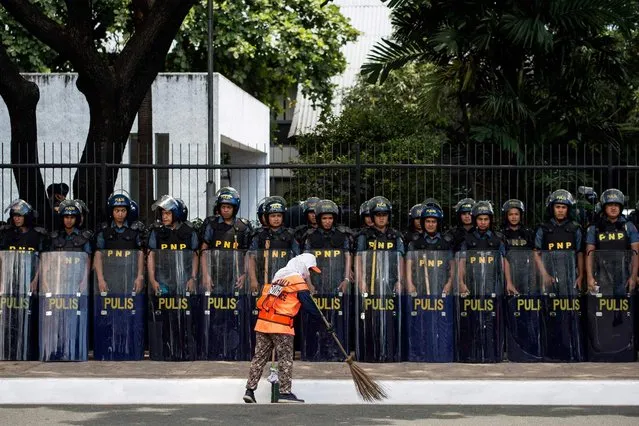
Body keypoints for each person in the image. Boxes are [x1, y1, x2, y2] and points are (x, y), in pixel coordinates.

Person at [243, 253, 323, 404]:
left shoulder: (279, 277)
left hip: (263, 324)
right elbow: (309, 305)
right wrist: (324, 323)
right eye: (309, 270)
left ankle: (249, 391)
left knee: (258, 358)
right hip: (282, 326)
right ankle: (285, 393)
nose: (309, 274)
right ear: (303, 266)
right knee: (285, 359)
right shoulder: (298, 282)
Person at [92, 193, 146, 361]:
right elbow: (99, 255)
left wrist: (140, 277)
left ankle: (128, 348)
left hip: (128, 278)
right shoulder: (104, 232)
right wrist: (100, 279)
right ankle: (110, 348)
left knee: (128, 315)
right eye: (117, 210)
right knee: (109, 315)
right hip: (110, 278)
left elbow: (139, 255)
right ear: (112, 212)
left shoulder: (134, 231)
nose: (120, 214)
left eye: (123, 210)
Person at [533, 189, 585, 362]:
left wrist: (580, 276)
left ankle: (570, 350)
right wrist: (545, 275)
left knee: (569, 315)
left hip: (570, 279)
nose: (561, 210)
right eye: (558, 207)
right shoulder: (543, 229)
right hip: (549, 280)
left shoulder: (575, 229)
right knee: (549, 313)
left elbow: (580, 254)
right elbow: (537, 254)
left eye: (563, 207)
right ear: (552, 208)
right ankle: (550, 351)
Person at [354, 196, 404, 362]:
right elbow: (359, 259)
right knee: (369, 319)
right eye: (378, 214)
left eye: (384, 214)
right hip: (370, 284)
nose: (381, 217)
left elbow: (401, 259)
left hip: (389, 284)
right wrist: (361, 280)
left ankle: (389, 353)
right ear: (372, 216)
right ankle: (370, 354)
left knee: (390, 320)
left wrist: (400, 280)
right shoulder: (364, 236)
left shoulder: (395, 236)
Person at [301, 199, 352, 361]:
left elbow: (347, 256)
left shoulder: (341, 236)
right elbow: (305, 262)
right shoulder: (310, 237)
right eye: (324, 218)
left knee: (336, 318)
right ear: (319, 218)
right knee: (317, 318)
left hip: (336, 283)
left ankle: (336, 352)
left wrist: (345, 279)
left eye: (330, 218)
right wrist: (309, 284)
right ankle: (316, 351)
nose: (327, 221)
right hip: (317, 284)